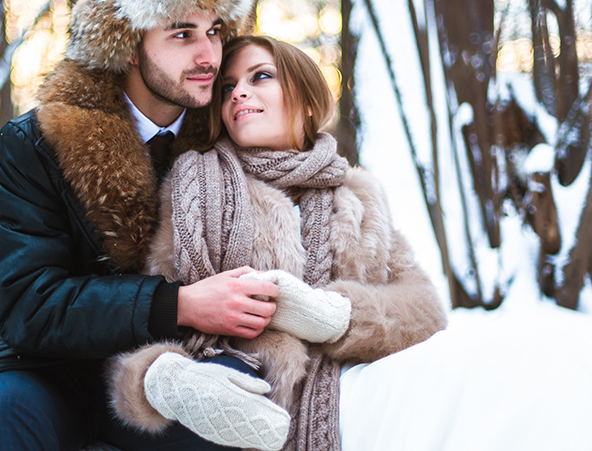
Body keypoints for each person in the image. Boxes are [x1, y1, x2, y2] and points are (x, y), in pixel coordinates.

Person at [0, 0, 286, 451]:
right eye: (181, 33)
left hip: (174, 370)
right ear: (125, 43)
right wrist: (178, 304)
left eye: (214, 31)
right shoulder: (35, 143)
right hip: (46, 367)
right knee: (6, 411)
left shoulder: (228, 133)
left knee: (240, 425)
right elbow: (27, 303)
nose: (209, 55)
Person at [105, 35, 449, 451]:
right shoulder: (194, 187)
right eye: (228, 87)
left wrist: (335, 316)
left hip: (353, 400)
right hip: (229, 400)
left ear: (306, 100)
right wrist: (164, 381)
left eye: (260, 76)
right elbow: (152, 312)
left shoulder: (357, 195)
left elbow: (425, 309)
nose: (239, 93)